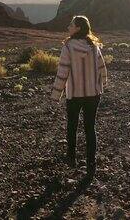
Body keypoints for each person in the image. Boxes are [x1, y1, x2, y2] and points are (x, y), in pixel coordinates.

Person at [50, 15, 108, 179]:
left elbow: (63, 71)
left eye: (71, 25)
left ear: (78, 28)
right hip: (93, 94)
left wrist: (56, 95)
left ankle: (71, 158)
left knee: (72, 126)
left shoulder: (68, 46)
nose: (68, 27)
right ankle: (91, 163)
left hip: (75, 94)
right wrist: (102, 83)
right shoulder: (94, 46)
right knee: (90, 128)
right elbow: (102, 67)